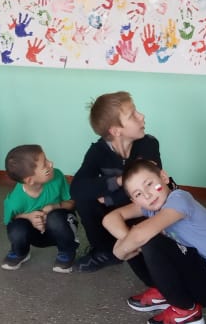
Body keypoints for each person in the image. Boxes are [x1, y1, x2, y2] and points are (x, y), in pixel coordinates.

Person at [103, 160, 206, 324]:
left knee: (145, 238)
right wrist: (128, 242)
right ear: (134, 200)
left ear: (163, 177)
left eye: (149, 184)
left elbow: (139, 236)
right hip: (191, 269)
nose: (147, 195)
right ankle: (163, 290)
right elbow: (110, 218)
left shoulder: (179, 199)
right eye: (138, 194)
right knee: (132, 234)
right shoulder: (150, 205)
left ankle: (187, 311)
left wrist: (120, 251)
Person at [69, 91, 161, 273]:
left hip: (142, 206)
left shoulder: (148, 145)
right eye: (132, 115)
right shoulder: (98, 151)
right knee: (84, 198)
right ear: (116, 131)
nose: (141, 116)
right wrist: (119, 180)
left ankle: (137, 245)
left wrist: (111, 198)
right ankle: (104, 250)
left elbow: (149, 186)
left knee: (148, 193)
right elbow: (77, 189)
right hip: (117, 211)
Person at [1, 144, 78, 273]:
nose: (51, 163)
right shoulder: (14, 201)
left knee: (56, 217)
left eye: (47, 160)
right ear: (30, 180)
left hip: (61, 228)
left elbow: (72, 202)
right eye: (45, 165)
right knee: (16, 227)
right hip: (36, 234)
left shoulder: (57, 176)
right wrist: (29, 217)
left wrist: (55, 207)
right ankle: (20, 252)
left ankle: (67, 251)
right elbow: (10, 219)